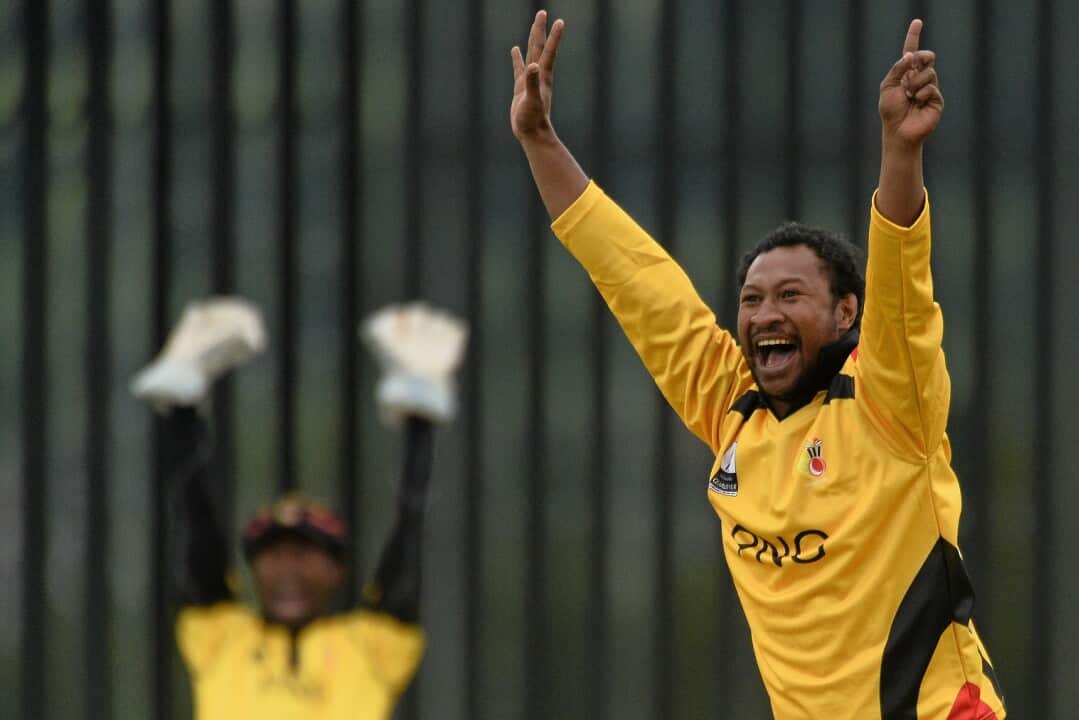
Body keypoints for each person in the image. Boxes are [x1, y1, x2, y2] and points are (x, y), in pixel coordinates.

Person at [510, 11, 1005, 719]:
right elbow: (636, 281)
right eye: (751, 299)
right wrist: (539, 142)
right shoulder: (730, 405)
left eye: (790, 296)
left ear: (845, 315)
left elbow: (903, 291)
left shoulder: (890, 403)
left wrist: (900, 153)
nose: (764, 314)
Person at [131, 297, 466, 720]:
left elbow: (410, 531)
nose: (289, 571)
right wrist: (180, 412)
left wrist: (422, 422)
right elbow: (194, 526)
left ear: (338, 569)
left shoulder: (369, 645)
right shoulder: (222, 638)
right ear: (252, 569)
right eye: (274, 556)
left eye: (305, 555)